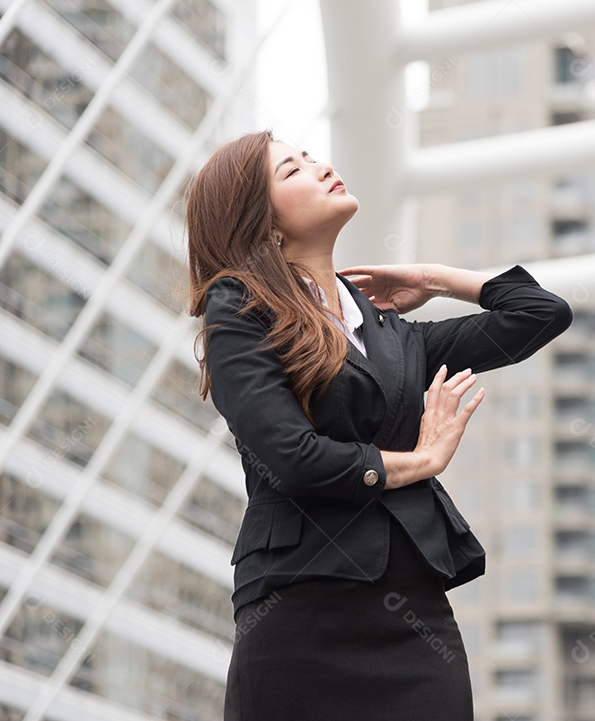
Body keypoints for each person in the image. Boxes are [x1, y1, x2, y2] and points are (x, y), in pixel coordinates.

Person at [185, 129, 573, 720]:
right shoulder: (240, 307)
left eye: (310, 157)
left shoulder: (397, 338)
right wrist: (422, 460)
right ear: (264, 225)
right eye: (291, 172)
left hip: (412, 612)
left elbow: (540, 314)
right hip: (302, 607)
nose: (319, 168)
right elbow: (292, 456)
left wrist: (435, 277)